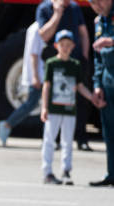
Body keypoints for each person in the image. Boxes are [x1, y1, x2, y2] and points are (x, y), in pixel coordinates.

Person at [40, 30, 99, 185]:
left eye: (68, 45)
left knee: (67, 141)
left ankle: (66, 170)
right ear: (56, 46)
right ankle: (47, 172)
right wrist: (44, 107)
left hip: (69, 109)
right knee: (49, 140)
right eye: (62, 45)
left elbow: (80, 86)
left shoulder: (75, 65)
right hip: (53, 109)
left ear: (73, 46)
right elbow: (46, 86)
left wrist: (92, 97)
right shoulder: (51, 63)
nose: (65, 48)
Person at [37, 0, 92, 151]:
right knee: (52, 100)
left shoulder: (74, 7)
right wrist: (57, 13)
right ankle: (51, 140)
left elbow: (83, 33)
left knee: (79, 101)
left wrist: (84, 57)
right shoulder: (44, 8)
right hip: (55, 63)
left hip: (73, 62)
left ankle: (81, 139)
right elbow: (44, 35)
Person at [0, 21, 45, 146]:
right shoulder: (37, 29)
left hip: (39, 72)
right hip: (38, 73)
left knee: (39, 104)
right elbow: (34, 54)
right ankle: (7, 124)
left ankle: (48, 138)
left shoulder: (35, 28)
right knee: (32, 103)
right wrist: (35, 75)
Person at [89, 0, 114, 186]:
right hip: (107, 80)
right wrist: (97, 85)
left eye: (100, 1)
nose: (98, 6)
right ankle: (111, 174)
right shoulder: (98, 22)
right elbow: (98, 58)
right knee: (109, 130)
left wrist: (111, 41)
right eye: (92, 3)